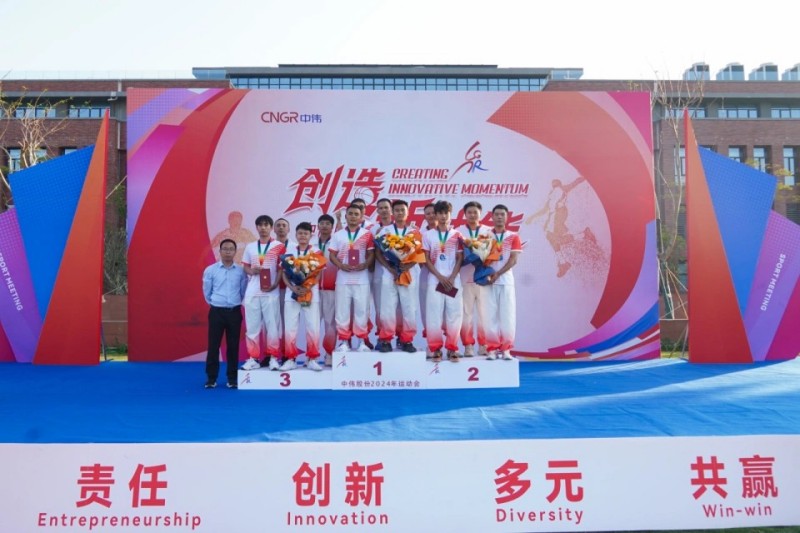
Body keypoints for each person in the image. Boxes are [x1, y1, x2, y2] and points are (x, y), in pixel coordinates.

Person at [375, 199, 422, 353]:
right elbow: (378, 253)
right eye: (397, 210)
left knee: (409, 308)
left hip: (409, 274)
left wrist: (409, 265)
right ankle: (386, 339)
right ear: (392, 213)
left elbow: (420, 254)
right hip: (390, 274)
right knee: (387, 308)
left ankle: (407, 340)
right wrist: (389, 267)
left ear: (407, 212)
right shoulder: (384, 231)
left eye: (403, 210)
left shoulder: (414, 232)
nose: (400, 213)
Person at [327, 202, 375, 352]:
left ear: (361, 217)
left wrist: (365, 264)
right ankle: (344, 342)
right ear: (346, 216)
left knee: (362, 311)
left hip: (361, 279)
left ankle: (361, 341)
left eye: (356, 214)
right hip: (343, 279)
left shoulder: (367, 234)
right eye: (350, 214)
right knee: (342, 311)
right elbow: (332, 255)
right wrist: (340, 265)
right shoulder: (338, 235)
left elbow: (372, 253)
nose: (353, 217)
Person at [240, 215, 286, 371]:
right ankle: (253, 358)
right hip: (253, 291)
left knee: (272, 326)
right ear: (257, 228)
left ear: (271, 227)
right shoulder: (250, 247)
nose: (263, 228)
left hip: (270, 292)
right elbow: (245, 267)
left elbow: (281, 269)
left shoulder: (279, 246)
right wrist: (252, 271)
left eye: (266, 225)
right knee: (252, 327)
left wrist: (275, 284)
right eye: (260, 225)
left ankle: (273, 358)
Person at [526, 176, 594, 278]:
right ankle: (563, 262)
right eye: (553, 183)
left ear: (558, 183)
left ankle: (584, 235)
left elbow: (574, 183)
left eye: (555, 182)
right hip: (554, 216)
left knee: (554, 239)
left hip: (558, 214)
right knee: (551, 238)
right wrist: (532, 217)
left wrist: (584, 177)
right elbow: (545, 209)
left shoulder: (562, 189)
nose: (553, 184)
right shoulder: (552, 194)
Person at [422, 201, 464, 362]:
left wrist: (452, 277)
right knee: (434, 315)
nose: (443, 216)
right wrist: (440, 276)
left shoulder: (457, 235)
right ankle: (436, 349)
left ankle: (452, 348)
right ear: (436, 215)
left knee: (454, 314)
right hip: (435, 280)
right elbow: (426, 259)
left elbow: (460, 258)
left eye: (446, 213)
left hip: (453, 281)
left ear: (450, 214)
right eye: (440, 213)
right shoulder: (428, 235)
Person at [202, 239, 247, 388]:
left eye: (231, 249)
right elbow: (207, 292)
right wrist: (216, 303)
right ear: (220, 251)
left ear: (235, 252)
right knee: (213, 346)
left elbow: (243, 291)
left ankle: (232, 379)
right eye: (225, 249)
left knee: (233, 346)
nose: (228, 251)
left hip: (234, 312)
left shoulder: (241, 271)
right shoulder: (211, 270)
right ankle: (211, 378)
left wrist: (234, 303)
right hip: (216, 312)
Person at [280, 222, 324, 371]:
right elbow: (284, 273)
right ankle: (290, 359)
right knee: (290, 327)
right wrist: (292, 287)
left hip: (310, 294)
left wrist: (307, 287)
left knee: (313, 326)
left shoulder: (316, 251)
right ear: (296, 235)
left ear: (311, 235)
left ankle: (312, 358)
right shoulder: (289, 250)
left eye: (306, 233)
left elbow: (318, 274)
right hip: (292, 294)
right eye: (300, 233)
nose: (303, 236)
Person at [482, 204, 522, 360]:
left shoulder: (513, 236)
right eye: (496, 214)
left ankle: (506, 349)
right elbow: (480, 258)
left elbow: (513, 260)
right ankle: (491, 349)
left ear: (506, 217)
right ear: (492, 217)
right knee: (489, 316)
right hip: (488, 282)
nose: (499, 217)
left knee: (507, 316)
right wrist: (487, 274)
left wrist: (497, 273)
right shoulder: (485, 236)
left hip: (505, 281)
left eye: (502, 214)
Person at [456, 200, 491, 357]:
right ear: (465, 214)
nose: (472, 215)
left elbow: (494, 254)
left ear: (480, 213)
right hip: (465, 279)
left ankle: (484, 345)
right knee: (466, 314)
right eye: (469, 212)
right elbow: (456, 256)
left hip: (483, 279)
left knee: (484, 315)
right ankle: (468, 346)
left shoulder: (488, 232)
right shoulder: (458, 232)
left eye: (475, 212)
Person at [369, 198, 394, 346]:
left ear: (391, 209)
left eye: (386, 207)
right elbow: (370, 253)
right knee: (381, 307)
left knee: (399, 308)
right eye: (381, 208)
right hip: (379, 272)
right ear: (377, 211)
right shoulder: (373, 230)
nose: (384, 210)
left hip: (399, 274)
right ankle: (382, 337)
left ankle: (402, 338)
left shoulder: (401, 229)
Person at [317, 214, 337, 365]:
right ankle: (311, 355)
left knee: (330, 324)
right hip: (314, 290)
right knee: (313, 324)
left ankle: (329, 354)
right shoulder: (311, 243)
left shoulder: (337, 242)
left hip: (331, 288)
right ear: (318, 226)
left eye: (327, 224)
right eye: (322, 223)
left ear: (332, 227)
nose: (324, 226)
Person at [418, 202, 437, 357]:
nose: (431, 216)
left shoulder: (451, 233)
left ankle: (451, 346)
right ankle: (432, 345)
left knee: (448, 312)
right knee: (428, 311)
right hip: (426, 275)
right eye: (428, 214)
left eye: (433, 213)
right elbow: (418, 258)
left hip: (446, 278)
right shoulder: (420, 234)